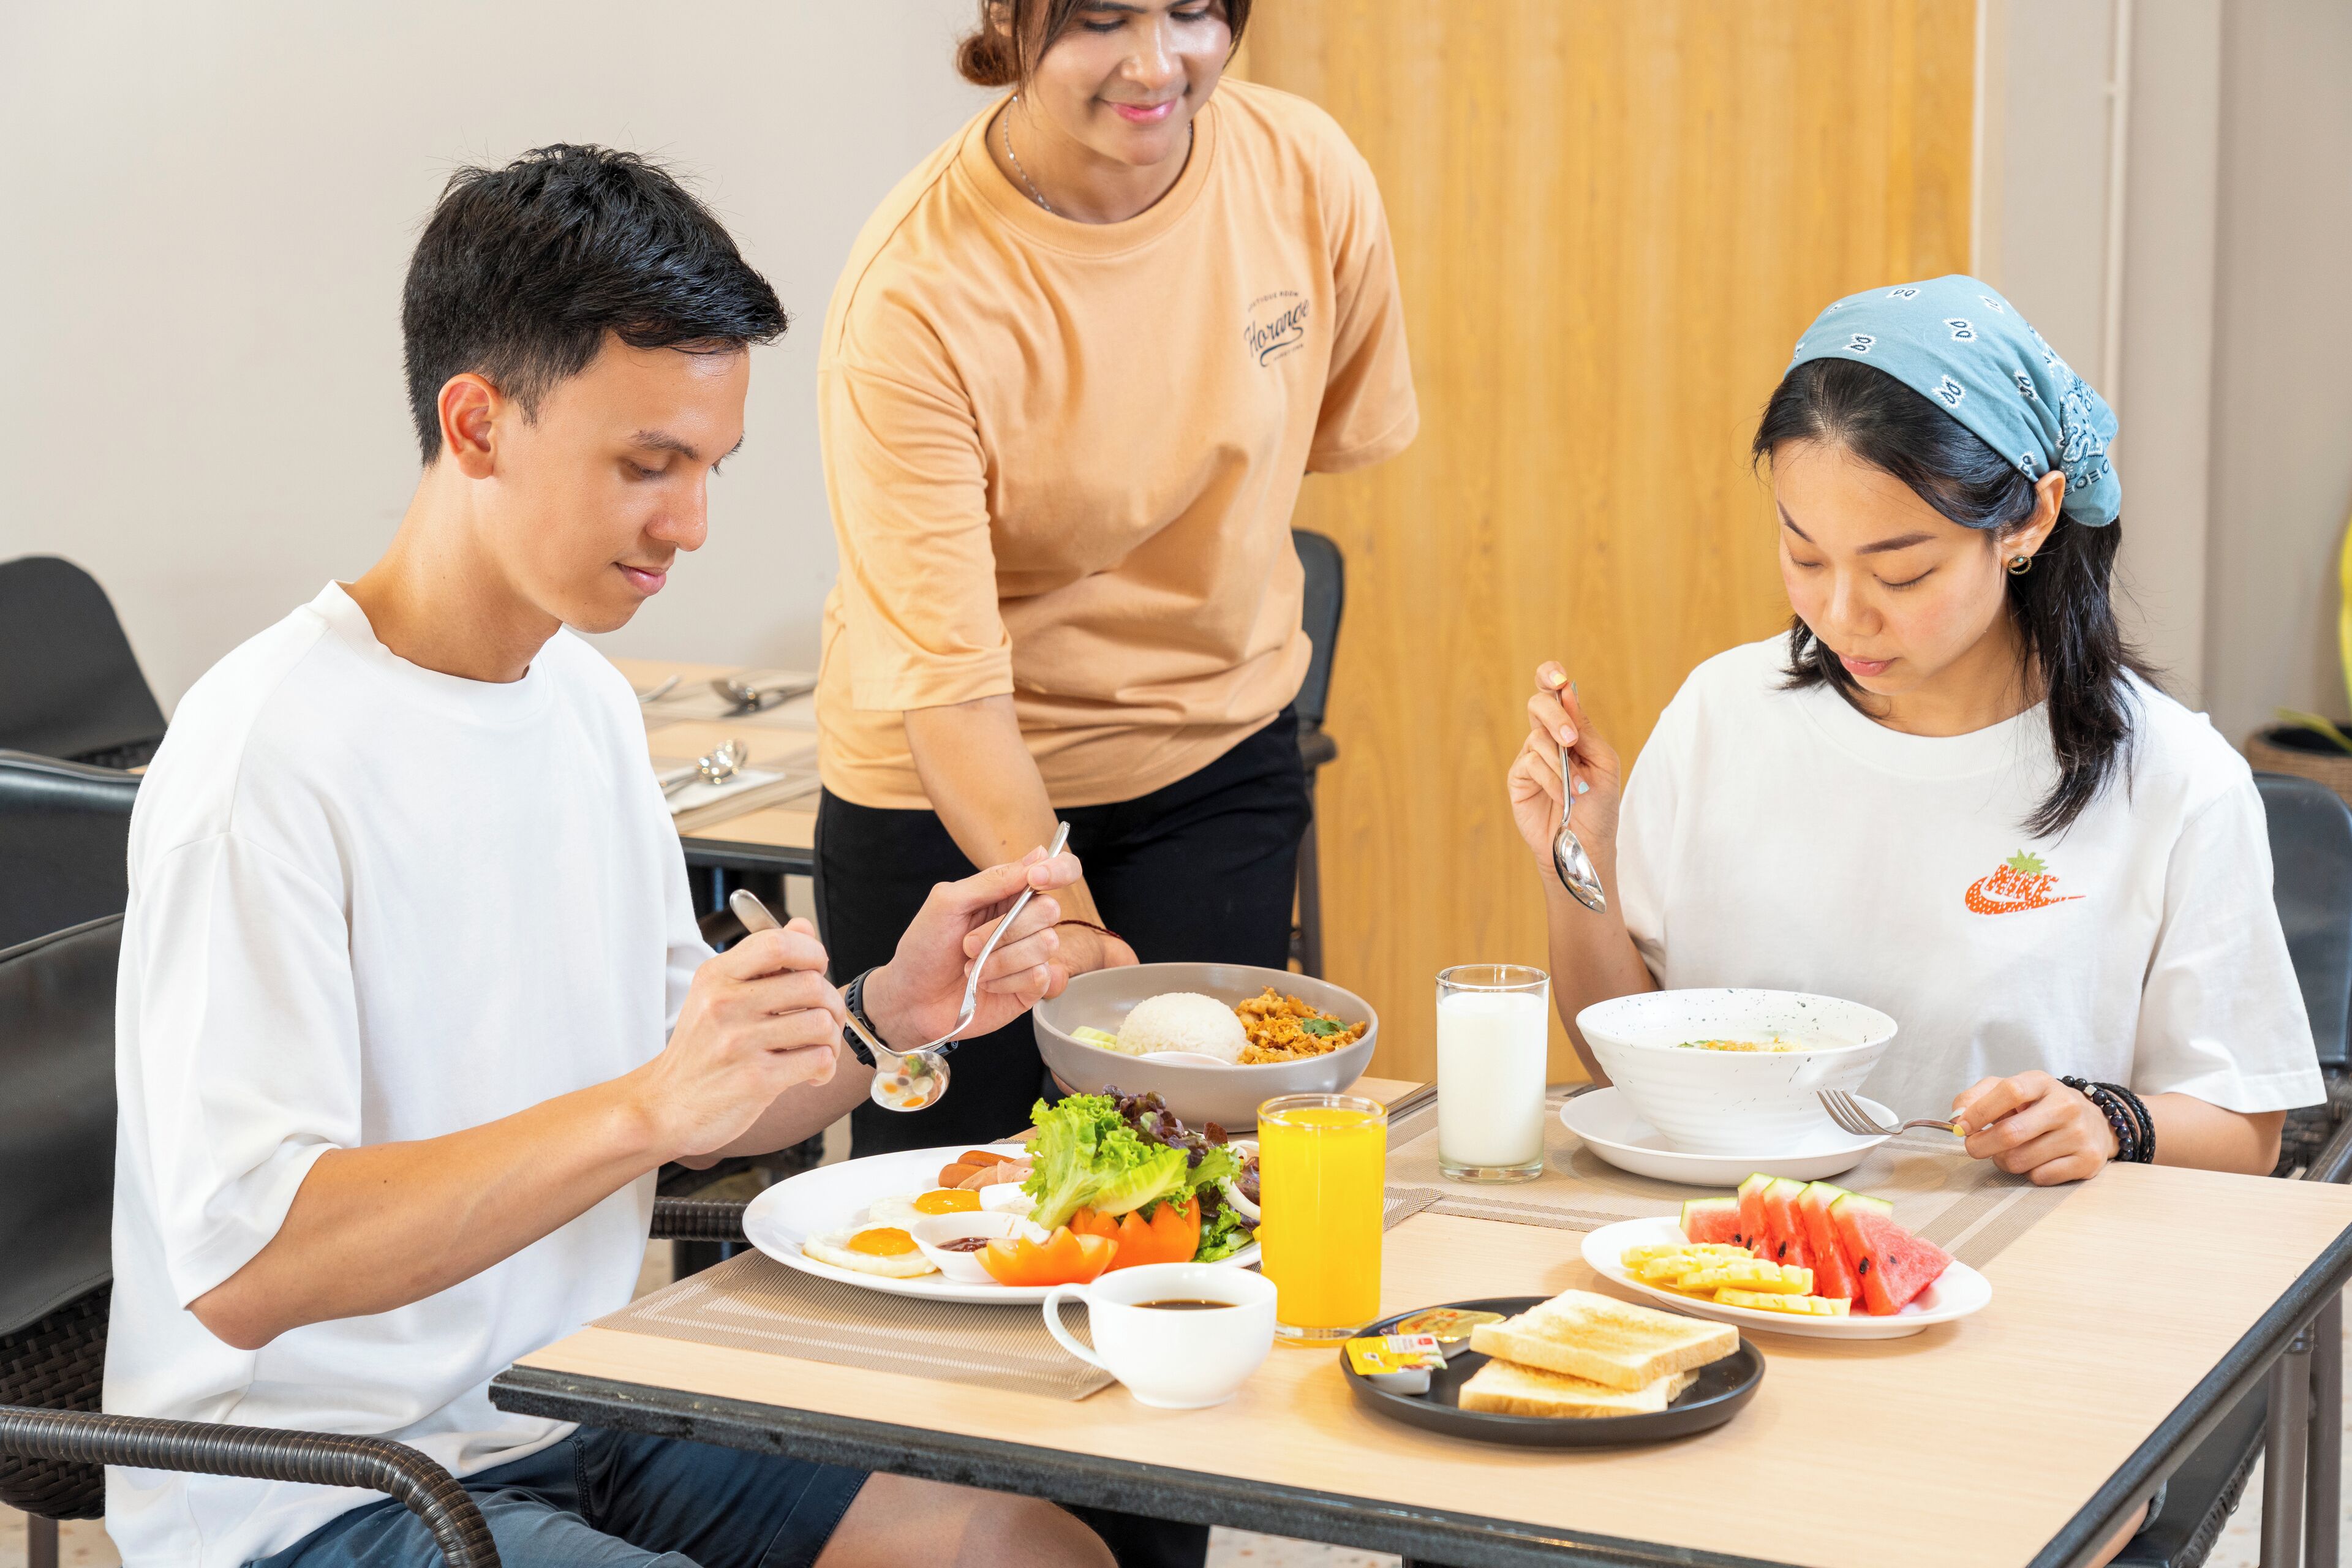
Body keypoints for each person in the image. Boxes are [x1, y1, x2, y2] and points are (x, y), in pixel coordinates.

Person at [105, 145, 1114, 1568]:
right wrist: (646, 1105)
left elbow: (700, 1097)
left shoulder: (579, 701)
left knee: (1030, 1552)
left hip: (564, 1407)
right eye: (648, 465)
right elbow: (248, 1265)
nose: (690, 523)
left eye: (708, 466)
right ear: (475, 425)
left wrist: (890, 1011)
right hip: (316, 1488)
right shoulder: (264, 755)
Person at [1507, 274, 2323, 1186]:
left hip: (2025, 1275)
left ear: (2030, 520)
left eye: (1901, 575)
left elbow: (2246, 1133)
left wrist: (2108, 1121)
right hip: (1726, 1257)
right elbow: (1626, 1067)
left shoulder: (2174, 777)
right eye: (1805, 555)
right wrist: (1573, 864)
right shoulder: (1721, 713)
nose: (1843, 615)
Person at [811, 0, 1418, 1159]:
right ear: (1009, 15)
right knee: (975, 1204)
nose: (1157, 63)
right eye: (1100, 19)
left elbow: (1336, 428)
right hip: (955, 796)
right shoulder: (914, 298)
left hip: (1214, 753)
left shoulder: (1304, 171)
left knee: (1214, 1189)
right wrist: (1067, 912)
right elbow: (947, 691)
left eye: (1193, 10)